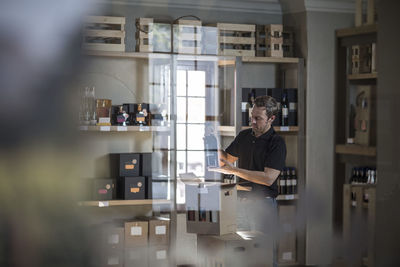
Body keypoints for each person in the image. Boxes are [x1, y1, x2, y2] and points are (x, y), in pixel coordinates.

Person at [209, 95, 286, 266]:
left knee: (263, 256)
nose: (252, 121)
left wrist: (234, 170)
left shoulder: (277, 143)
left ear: (271, 119)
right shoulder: (244, 136)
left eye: (258, 118)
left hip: (262, 206)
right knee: (240, 256)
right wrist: (212, 144)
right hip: (239, 203)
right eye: (251, 116)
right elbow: (226, 160)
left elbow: (268, 178)